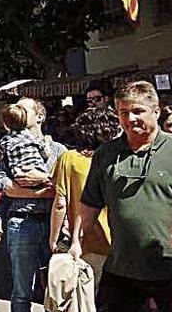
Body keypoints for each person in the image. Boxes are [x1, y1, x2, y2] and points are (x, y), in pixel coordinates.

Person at [74, 81, 172, 312]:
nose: (130, 118)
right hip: (121, 268)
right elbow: (90, 204)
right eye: (123, 112)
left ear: (156, 111)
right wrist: (75, 242)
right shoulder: (106, 154)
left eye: (138, 111)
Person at [0, 97, 66, 312]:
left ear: (40, 117)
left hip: (55, 225)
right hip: (22, 222)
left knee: (56, 288)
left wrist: (37, 189)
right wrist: (35, 191)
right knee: (21, 291)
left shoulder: (58, 150)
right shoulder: (7, 143)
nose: (17, 111)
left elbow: (65, 188)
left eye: (23, 109)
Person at [48, 106, 119, 291]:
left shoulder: (69, 158)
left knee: (86, 298)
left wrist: (54, 239)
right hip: (117, 241)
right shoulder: (117, 158)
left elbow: (60, 203)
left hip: (83, 241)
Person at [0, 104, 52, 245]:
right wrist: (44, 186)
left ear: (39, 117)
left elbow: (67, 188)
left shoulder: (5, 141)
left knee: (2, 203)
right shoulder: (34, 140)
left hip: (51, 220)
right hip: (20, 220)